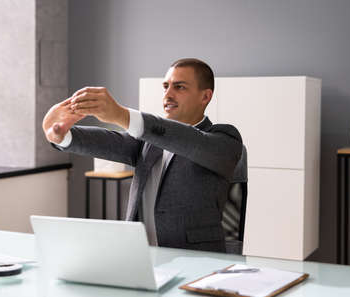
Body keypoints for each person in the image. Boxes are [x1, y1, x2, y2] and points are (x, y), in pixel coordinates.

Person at [42, 58, 242, 252]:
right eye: (166, 86)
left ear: (205, 96)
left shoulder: (223, 139)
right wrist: (62, 134)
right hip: (140, 257)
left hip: (196, 262)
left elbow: (188, 140)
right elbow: (109, 141)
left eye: (179, 87)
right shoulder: (147, 142)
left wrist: (121, 115)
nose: (168, 95)